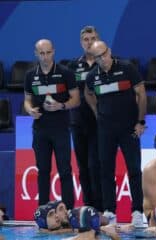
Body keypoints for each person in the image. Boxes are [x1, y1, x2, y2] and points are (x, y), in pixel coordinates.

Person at [85, 40, 147, 227]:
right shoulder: (92, 76)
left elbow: (142, 94)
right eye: (98, 57)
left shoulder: (127, 68)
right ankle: (110, 211)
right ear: (93, 59)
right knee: (106, 171)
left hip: (129, 128)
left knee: (134, 170)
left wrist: (140, 121)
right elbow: (88, 93)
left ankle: (137, 211)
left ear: (109, 51)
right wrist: (98, 113)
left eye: (104, 54)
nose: (102, 59)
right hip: (106, 130)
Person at [24, 39, 80, 210]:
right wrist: (30, 111)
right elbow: (27, 101)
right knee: (43, 171)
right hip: (40, 129)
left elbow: (76, 100)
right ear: (36, 54)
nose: (45, 56)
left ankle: (69, 209)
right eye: (42, 53)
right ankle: (42, 210)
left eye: (48, 52)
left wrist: (61, 105)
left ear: (54, 52)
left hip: (60, 128)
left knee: (64, 170)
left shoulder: (66, 73)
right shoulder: (30, 75)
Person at [67, 26, 102, 211]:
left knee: (96, 166)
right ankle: (89, 208)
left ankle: (102, 208)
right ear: (81, 43)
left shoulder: (105, 63)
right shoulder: (72, 66)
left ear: (98, 40)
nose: (89, 42)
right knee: (83, 168)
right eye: (86, 39)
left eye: (93, 38)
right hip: (78, 123)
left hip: (99, 123)